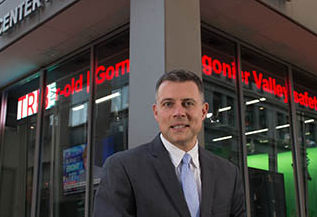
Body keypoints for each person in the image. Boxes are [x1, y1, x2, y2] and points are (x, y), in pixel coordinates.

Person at [93, 69, 246, 217]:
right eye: (168, 104)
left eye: (188, 103)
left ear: (204, 111)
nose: (178, 112)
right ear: (156, 112)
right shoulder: (122, 168)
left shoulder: (229, 174)